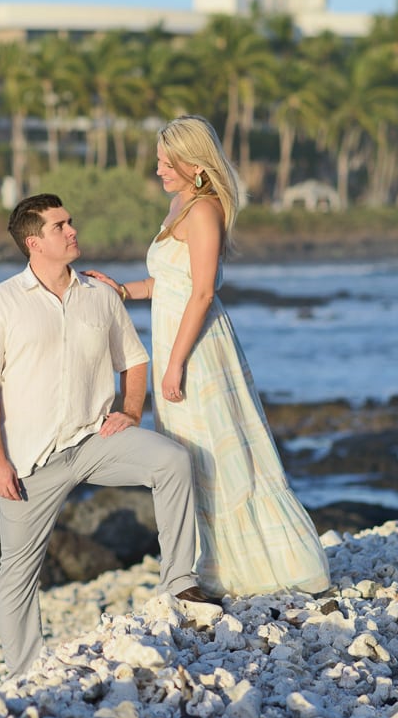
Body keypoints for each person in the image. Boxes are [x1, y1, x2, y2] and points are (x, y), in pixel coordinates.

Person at [0, 192, 216, 679]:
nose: (72, 231)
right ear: (34, 242)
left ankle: (181, 584)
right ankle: (24, 672)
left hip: (96, 441)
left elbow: (135, 359)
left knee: (172, 462)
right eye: (61, 227)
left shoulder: (100, 294)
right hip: (29, 461)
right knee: (17, 571)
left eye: (70, 222)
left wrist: (130, 409)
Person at [84, 115, 331, 599]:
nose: (157, 170)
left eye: (164, 162)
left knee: (221, 449)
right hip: (176, 340)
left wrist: (174, 365)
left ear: (192, 163)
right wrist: (121, 290)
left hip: (197, 348)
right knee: (192, 453)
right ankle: (217, 564)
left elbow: (200, 294)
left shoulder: (203, 211)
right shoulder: (180, 204)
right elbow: (167, 285)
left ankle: (272, 564)